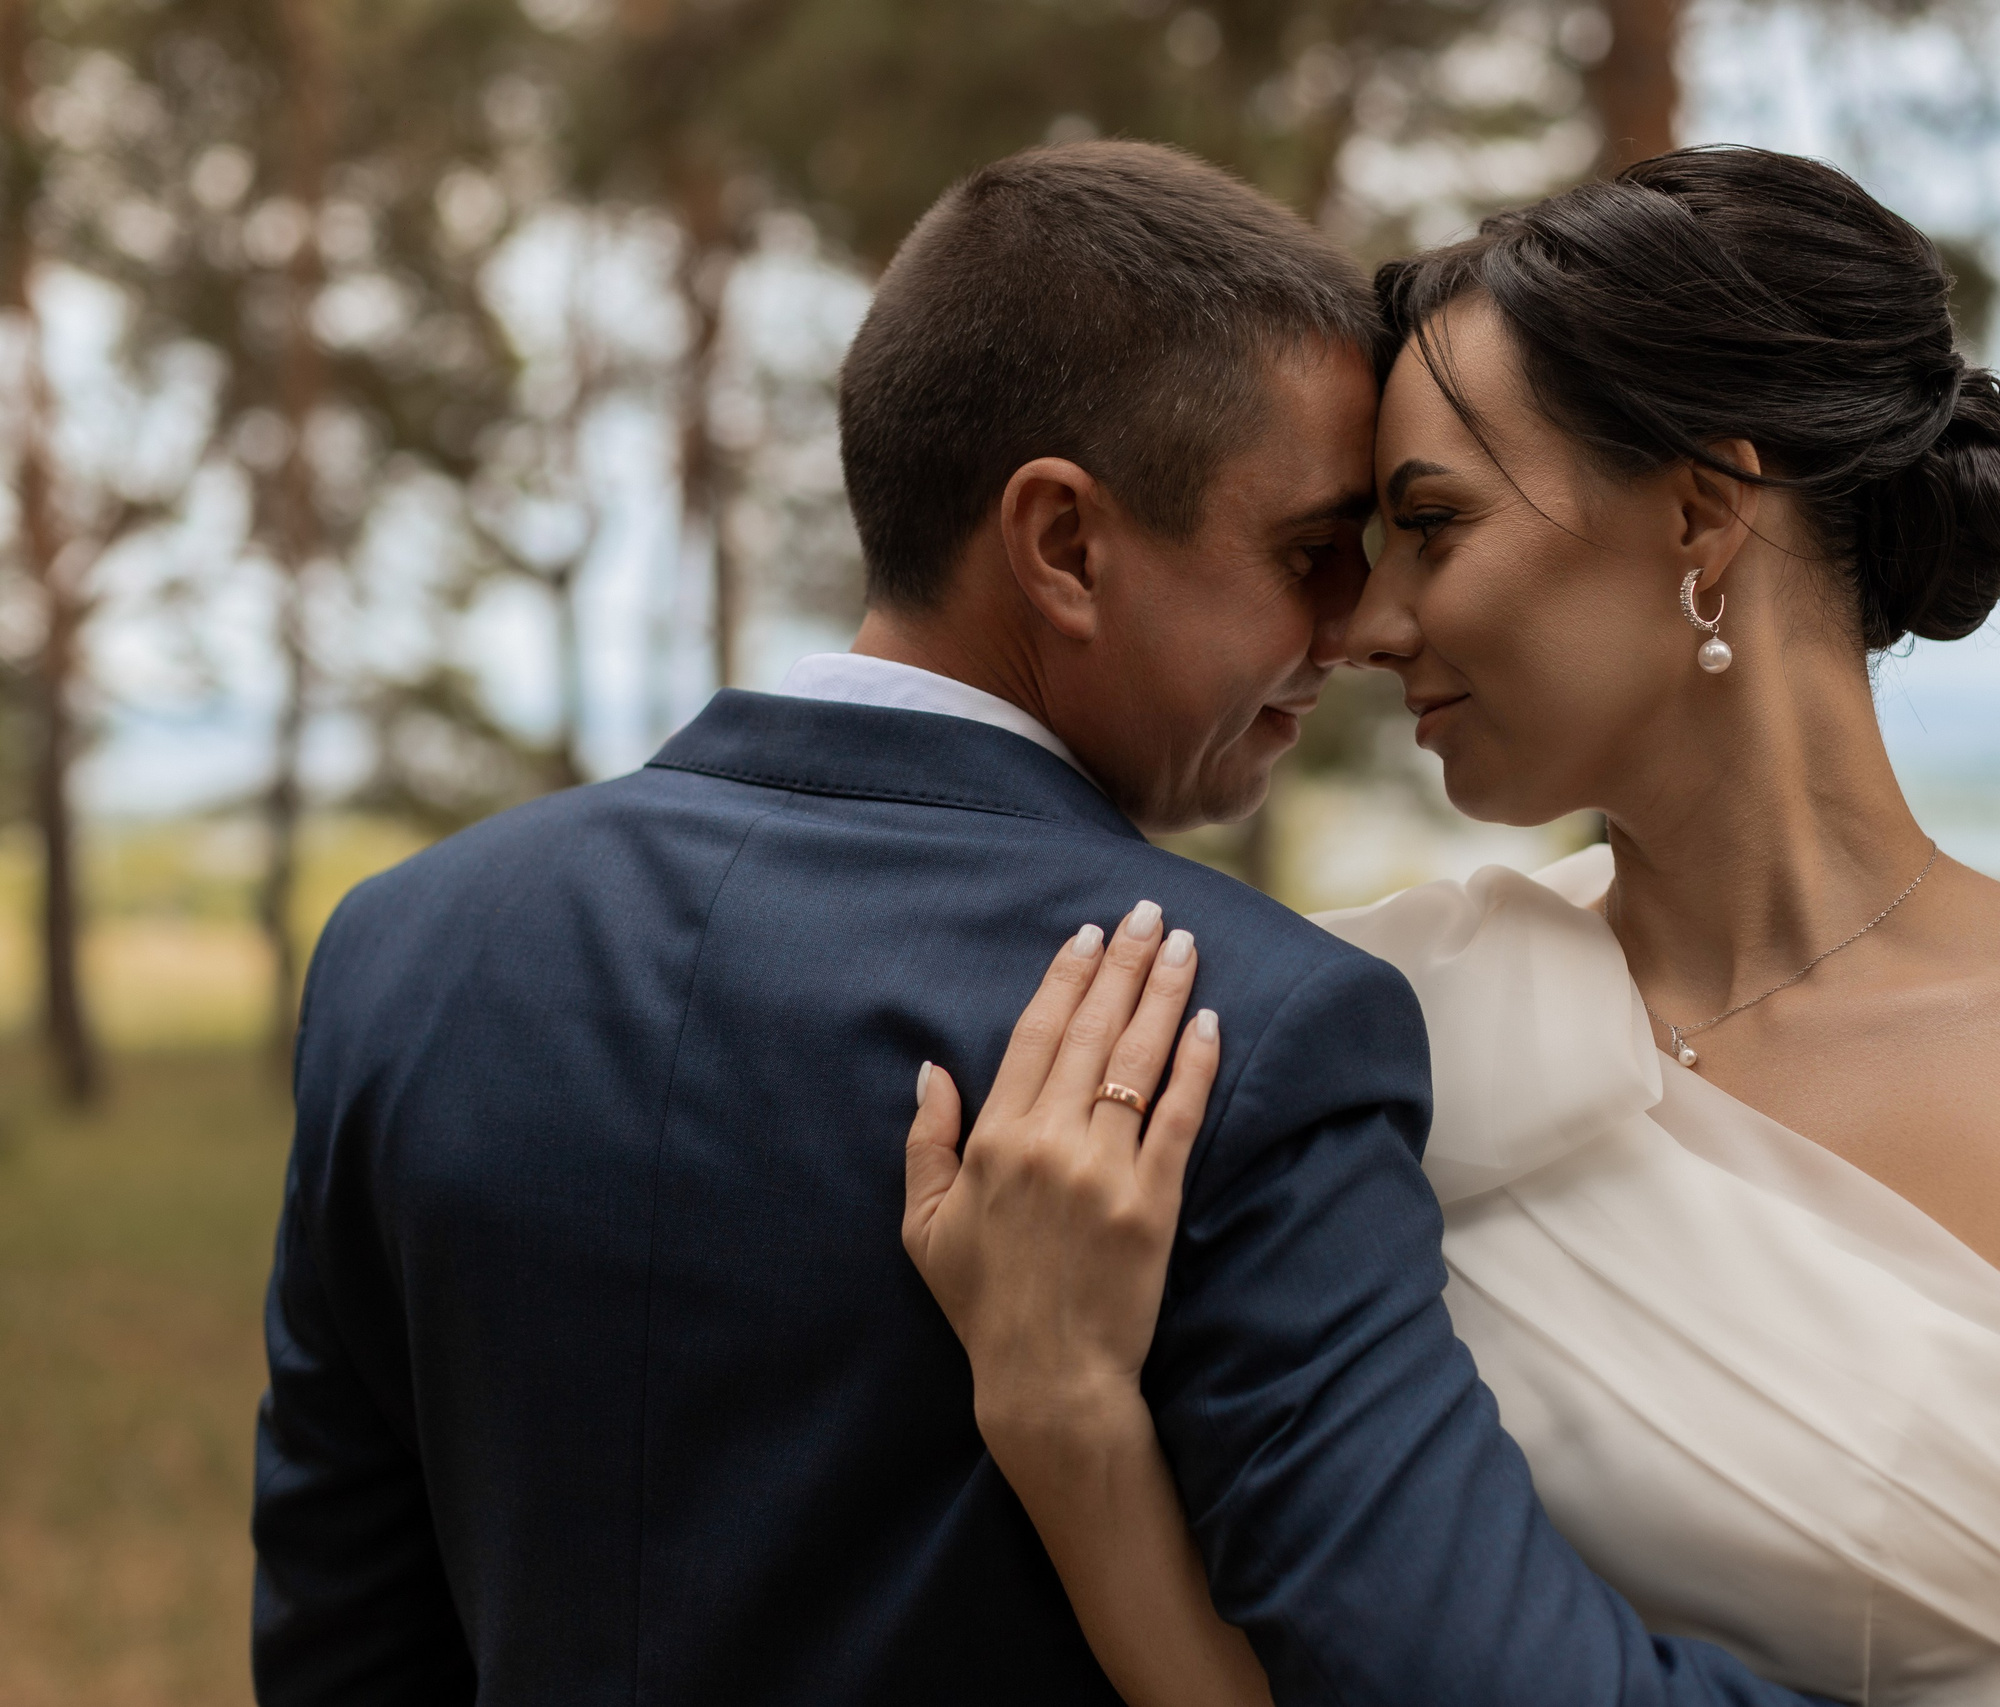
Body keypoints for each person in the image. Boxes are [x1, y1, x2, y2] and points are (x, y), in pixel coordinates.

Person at [252, 140, 1822, 1706]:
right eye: (1305, 555)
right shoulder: (1235, 1028)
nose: (1351, 632)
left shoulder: (406, 948)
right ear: (1065, 544)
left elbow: (343, 1645)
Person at [902, 148, 2000, 1707]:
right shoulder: (1360, 1024)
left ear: (1701, 518)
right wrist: (1072, 1429)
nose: (1363, 623)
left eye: (1432, 525)